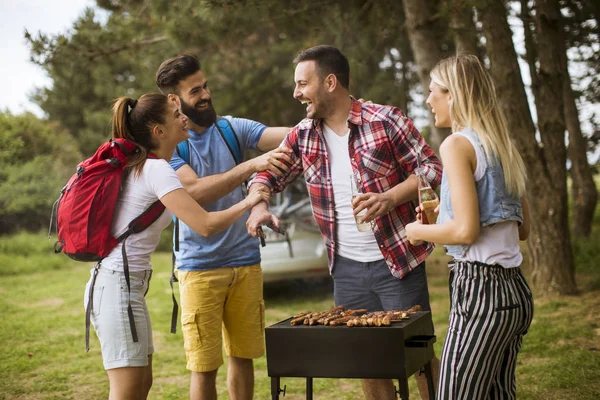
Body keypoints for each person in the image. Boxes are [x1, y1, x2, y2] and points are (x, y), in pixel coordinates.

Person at [246, 45, 443, 400]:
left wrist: (390, 197)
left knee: (419, 356)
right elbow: (267, 175)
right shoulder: (303, 134)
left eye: (303, 83)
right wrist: (258, 205)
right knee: (365, 359)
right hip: (347, 267)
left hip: (398, 261)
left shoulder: (385, 120)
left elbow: (431, 168)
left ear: (330, 82)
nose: (296, 93)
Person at [84, 94, 270, 400]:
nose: (183, 116)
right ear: (159, 131)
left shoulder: (153, 166)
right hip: (116, 286)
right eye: (175, 115)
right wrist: (249, 201)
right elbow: (206, 224)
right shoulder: (156, 170)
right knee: (127, 392)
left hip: (127, 287)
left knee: (142, 385)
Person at [155, 54, 292, 400]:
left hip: (246, 263)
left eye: (206, 86)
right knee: (204, 368)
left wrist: (325, 112)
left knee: (243, 359)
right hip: (199, 270)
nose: (206, 95)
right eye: (195, 90)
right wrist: (250, 168)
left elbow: (288, 137)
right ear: (174, 99)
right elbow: (194, 192)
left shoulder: (233, 129)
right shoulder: (169, 147)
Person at [405, 54, 534, 400]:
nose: (428, 99)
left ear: (455, 95)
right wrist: (441, 218)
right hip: (516, 293)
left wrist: (415, 231)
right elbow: (520, 230)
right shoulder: (501, 144)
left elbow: (466, 232)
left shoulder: (456, 144)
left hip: (482, 291)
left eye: (434, 91)